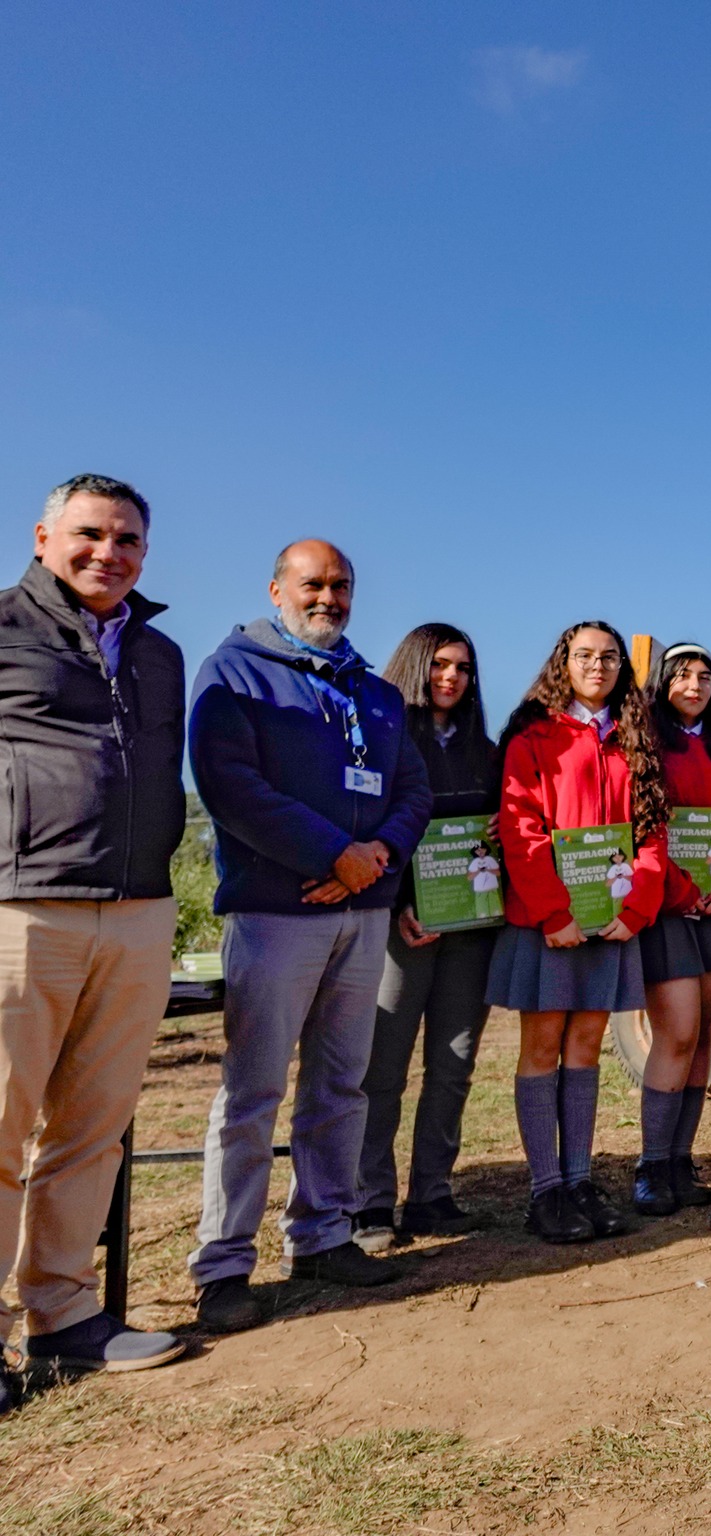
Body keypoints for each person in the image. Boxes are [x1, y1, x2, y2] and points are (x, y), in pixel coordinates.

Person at [187, 540, 432, 1332]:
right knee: (253, 1091)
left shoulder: (378, 693)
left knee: (341, 1084)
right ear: (277, 589)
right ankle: (225, 1264)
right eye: (313, 584)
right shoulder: (233, 673)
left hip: (360, 919)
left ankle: (322, 1235)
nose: (328, 598)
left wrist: (377, 859)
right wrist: (334, 854)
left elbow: (413, 789)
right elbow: (231, 787)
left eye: (342, 586)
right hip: (275, 912)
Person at [0, 475, 188, 1403]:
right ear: (43, 536)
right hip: (23, 908)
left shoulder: (160, 652)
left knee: (94, 1128)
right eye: (88, 534)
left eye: (126, 540)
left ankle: (65, 1316)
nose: (107, 553)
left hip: (140, 909)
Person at [491, 622, 667, 1244]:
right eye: (585, 655)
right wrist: (554, 912)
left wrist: (638, 907)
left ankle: (580, 1179)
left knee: (587, 1047)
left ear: (623, 666)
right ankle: (546, 1192)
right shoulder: (532, 734)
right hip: (549, 924)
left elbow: (653, 833)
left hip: (613, 924)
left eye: (610, 656)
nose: (598, 665)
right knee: (541, 1047)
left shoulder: (635, 739)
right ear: (563, 660)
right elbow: (520, 827)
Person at [351, 624, 500, 1253]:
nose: (451, 678)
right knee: (381, 1069)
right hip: (401, 928)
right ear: (414, 668)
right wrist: (397, 906)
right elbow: (364, 827)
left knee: (454, 1064)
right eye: (440, 665)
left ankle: (432, 1194)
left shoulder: (487, 752)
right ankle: (368, 1204)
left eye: (463, 669)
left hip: (470, 930)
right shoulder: (378, 744)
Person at [633, 642, 711, 1216]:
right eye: (683, 675)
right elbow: (640, 824)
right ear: (663, 683)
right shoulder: (645, 746)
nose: (694, 684)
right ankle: (651, 1164)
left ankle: (681, 1161)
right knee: (677, 1034)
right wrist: (682, 891)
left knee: (706, 1038)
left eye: (705, 677)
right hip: (667, 909)